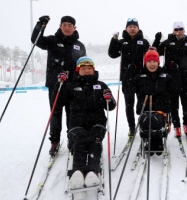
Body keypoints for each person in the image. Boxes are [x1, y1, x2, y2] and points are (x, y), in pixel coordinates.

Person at [53, 56, 116, 194]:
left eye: (89, 68)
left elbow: (111, 106)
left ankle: (93, 170)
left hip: (97, 122)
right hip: (77, 123)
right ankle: (77, 171)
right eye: (83, 69)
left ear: (93, 70)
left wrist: (109, 98)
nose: (87, 71)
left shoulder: (101, 85)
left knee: (95, 141)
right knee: (80, 142)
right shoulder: (71, 86)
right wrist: (60, 84)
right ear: (78, 70)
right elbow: (57, 102)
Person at [31, 15, 86, 156]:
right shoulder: (52, 40)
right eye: (64, 25)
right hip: (56, 84)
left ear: (75, 28)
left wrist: (81, 82)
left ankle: (71, 138)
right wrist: (40, 25)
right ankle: (54, 141)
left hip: (73, 85)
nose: (67, 28)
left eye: (70, 25)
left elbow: (83, 66)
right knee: (55, 114)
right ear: (60, 26)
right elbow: (36, 40)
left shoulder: (79, 45)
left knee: (72, 113)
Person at [123, 48, 181, 155]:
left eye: (154, 61)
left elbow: (176, 90)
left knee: (154, 120)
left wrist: (175, 72)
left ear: (158, 62)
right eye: (149, 61)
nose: (152, 64)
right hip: (145, 110)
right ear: (145, 63)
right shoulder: (139, 77)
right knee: (146, 120)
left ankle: (156, 142)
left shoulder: (165, 76)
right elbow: (127, 90)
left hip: (160, 111)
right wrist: (128, 72)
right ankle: (152, 142)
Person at [152, 21, 187, 137]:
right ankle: (176, 126)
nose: (178, 32)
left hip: (185, 79)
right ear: (173, 30)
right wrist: (157, 40)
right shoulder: (167, 43)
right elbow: (154, 52)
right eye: (176, 30)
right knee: (173, 105)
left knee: (186, 104)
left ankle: (186, 124)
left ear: (184, 30)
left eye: (180, 29)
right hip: (171, 80)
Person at [108, 18, 150, 137]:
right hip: (127, 78)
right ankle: (132, 127)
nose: (132, 29)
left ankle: (144, 125)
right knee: (129, 105)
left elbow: (151, 57)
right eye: (130, 27)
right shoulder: (122, 42)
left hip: (141, 77)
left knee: (143, 103)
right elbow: (112, 54)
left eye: (134, 27)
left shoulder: (144, 42)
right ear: (126, 29)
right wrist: (114, 39)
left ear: (138, 29)